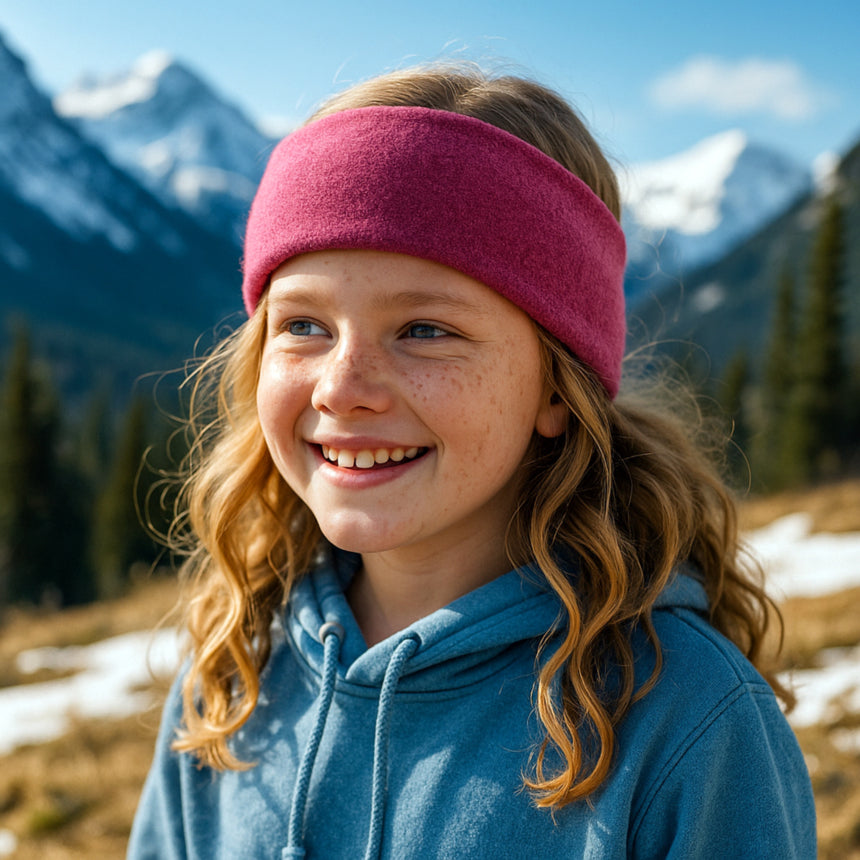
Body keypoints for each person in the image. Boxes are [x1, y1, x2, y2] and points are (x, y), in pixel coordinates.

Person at [128, 64, 816, 859]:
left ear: (557, 387)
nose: (343, 389)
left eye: (425, 329)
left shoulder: (686, 722)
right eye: (304, 326)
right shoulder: (234, 675)